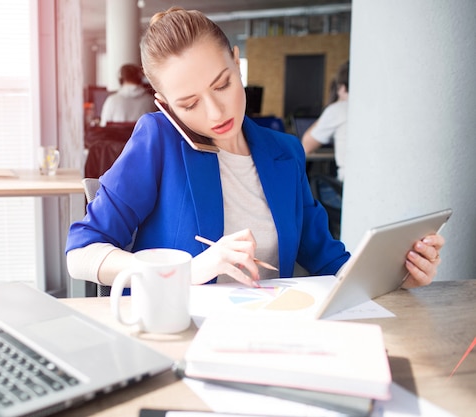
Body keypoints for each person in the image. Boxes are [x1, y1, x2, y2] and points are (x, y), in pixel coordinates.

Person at [67, 8, 444, 290]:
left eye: (222, 84)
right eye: (190, 103)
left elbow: (328, 261)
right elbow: (80, 253)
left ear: (236, 62)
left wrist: (399, 276)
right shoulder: (158, 140)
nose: (216, 112)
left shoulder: (285, 152)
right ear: (165, 105)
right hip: (182, 336)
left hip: (268, 337)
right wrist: (189, 270)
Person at [302, 61, 349, 181]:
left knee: (313, 183)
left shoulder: (339, 109)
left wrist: (336, 104)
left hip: (349, 186)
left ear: (342, 88)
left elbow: (306, 146)